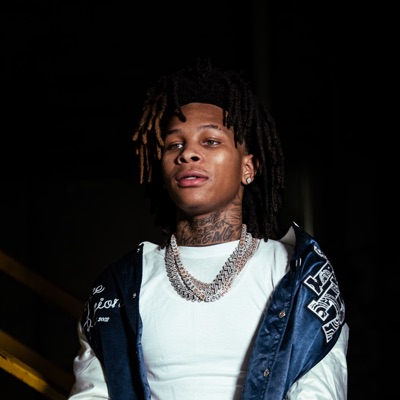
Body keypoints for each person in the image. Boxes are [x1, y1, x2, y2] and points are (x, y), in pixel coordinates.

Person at [68, 60, 349, 399]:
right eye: (174, 144)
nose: (188, 153)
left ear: (248, 167)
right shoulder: (121, 284)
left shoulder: (299, 272)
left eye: (211, 141)